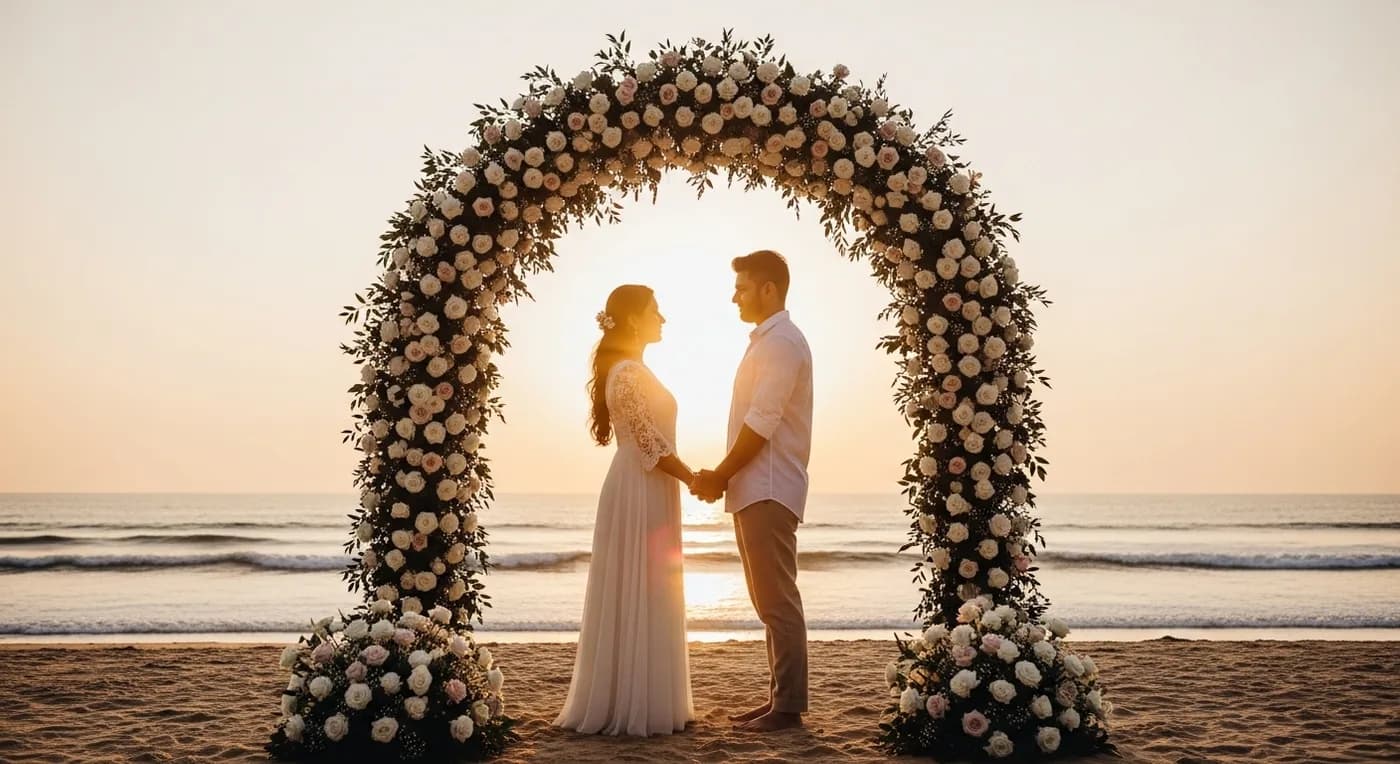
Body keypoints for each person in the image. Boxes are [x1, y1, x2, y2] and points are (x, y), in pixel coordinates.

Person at [553, 284, 695, 737]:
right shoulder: (629, 373)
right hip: (640, 485)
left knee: (652, 585)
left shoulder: (632, 369)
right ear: (634, 319)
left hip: (649, 485)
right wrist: (695, 478)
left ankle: (652, 695)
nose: (663, 318)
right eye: (656, 310)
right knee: (642, 583)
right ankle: (633, 703)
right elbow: (649, 443)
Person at [692, 250, 814, 732]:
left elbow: (761, 422)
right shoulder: (767, 341)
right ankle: (779, 700)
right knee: (768, 601)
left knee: (777, 600)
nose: (735, 295)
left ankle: (788, 708)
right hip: (754, 488)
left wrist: (719, 474)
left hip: (769, 487)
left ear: (769, 289)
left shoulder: (782, 343)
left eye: (743, 287)